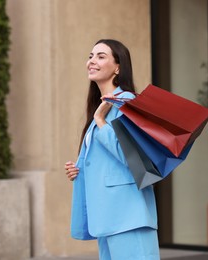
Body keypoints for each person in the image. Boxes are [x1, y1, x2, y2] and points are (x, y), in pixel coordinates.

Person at [64, 39, 160, 260]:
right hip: (108, 215)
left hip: (127, 215)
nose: (92, 61)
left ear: (118, 67)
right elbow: (107, 159)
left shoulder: (127, 104)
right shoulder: (103, 106)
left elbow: (132, 155)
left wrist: (100, 120)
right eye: (90, 56)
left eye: (101, 56)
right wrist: (78, 169)